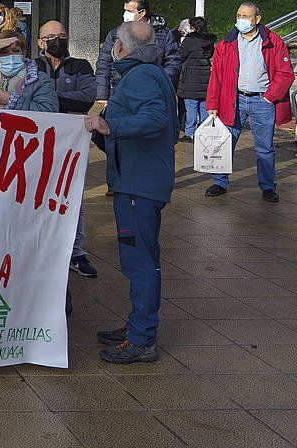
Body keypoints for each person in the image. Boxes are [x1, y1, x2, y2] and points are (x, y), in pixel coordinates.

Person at [84, 20, 176, 364]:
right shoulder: (150, 74)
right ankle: (138, 326)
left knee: (140, 263)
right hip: (141, 180)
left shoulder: (140, 78)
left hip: (139, 185)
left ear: (120, 48)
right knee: (142, 261)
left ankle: (141, 339)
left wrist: (110, 125)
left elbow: (154, 118)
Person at [205, 2, 295, 201]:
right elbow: (216, 77)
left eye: (246, 16)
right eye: (238, 15)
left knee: (265, 147)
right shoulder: (226, 44)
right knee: (225, 143)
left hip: (262, 101)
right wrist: (212, 104)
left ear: (257, 19)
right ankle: (219, 182)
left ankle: (268, 187)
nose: (241, 20)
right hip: (233, 99)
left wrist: (269, 96)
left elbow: (285, 74)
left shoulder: (273, 42)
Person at [35, 20, 98, 279]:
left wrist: (48, 99)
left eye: (61, 35)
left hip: (71, 144)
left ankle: (76, 251)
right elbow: (23, 99)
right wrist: (62, 101)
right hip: (37, 145)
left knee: (72, 197)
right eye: (50, 36)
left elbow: (88, 96)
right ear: (40, 42)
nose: (56, 40)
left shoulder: (80, 66)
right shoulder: (32, 67)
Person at [95, 0, 181, 106]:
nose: (125, 15)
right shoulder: (115, 34)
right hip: (119, 92)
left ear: (142, 12)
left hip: (152, 94)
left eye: (129, 11)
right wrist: (102, 96)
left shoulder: (163, 34)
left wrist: (159, 82)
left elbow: (173, 63)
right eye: (125, 10)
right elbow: (104, 64)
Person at [176, 16, 215, 142]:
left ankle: (190, 133)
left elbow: (180, 56)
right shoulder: (209, 40)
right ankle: (204, 132)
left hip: (190, 79)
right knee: (204, 106)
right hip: (205, 77)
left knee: (191, 106)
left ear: (192, 27)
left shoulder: (189, 40)